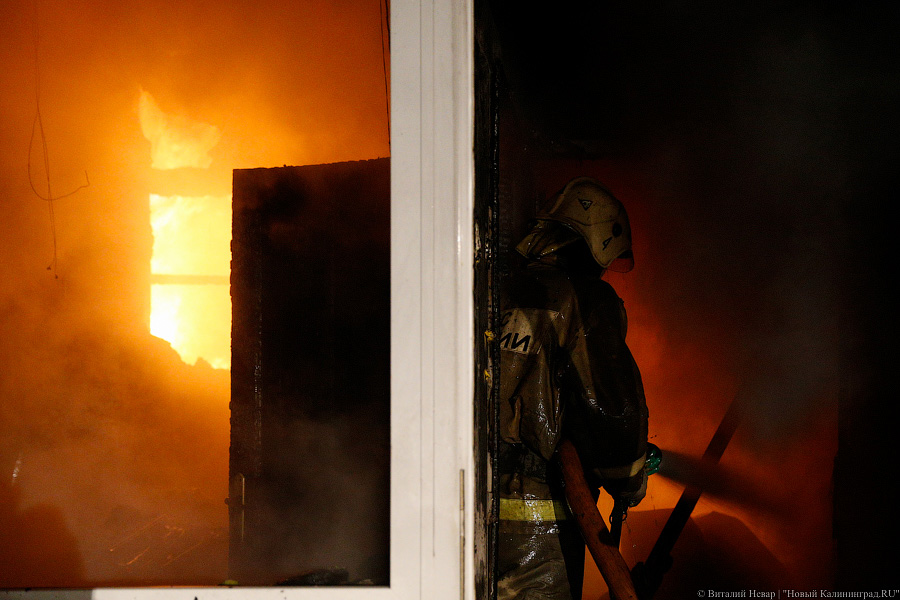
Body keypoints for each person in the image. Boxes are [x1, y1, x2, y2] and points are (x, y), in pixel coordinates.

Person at [497, 176, 649, 600]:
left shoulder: (493, 293)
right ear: (597, 243)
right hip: (541, 519)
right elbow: (612, 411)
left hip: (467, 507)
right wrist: (631, 480)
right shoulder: (586, 300)